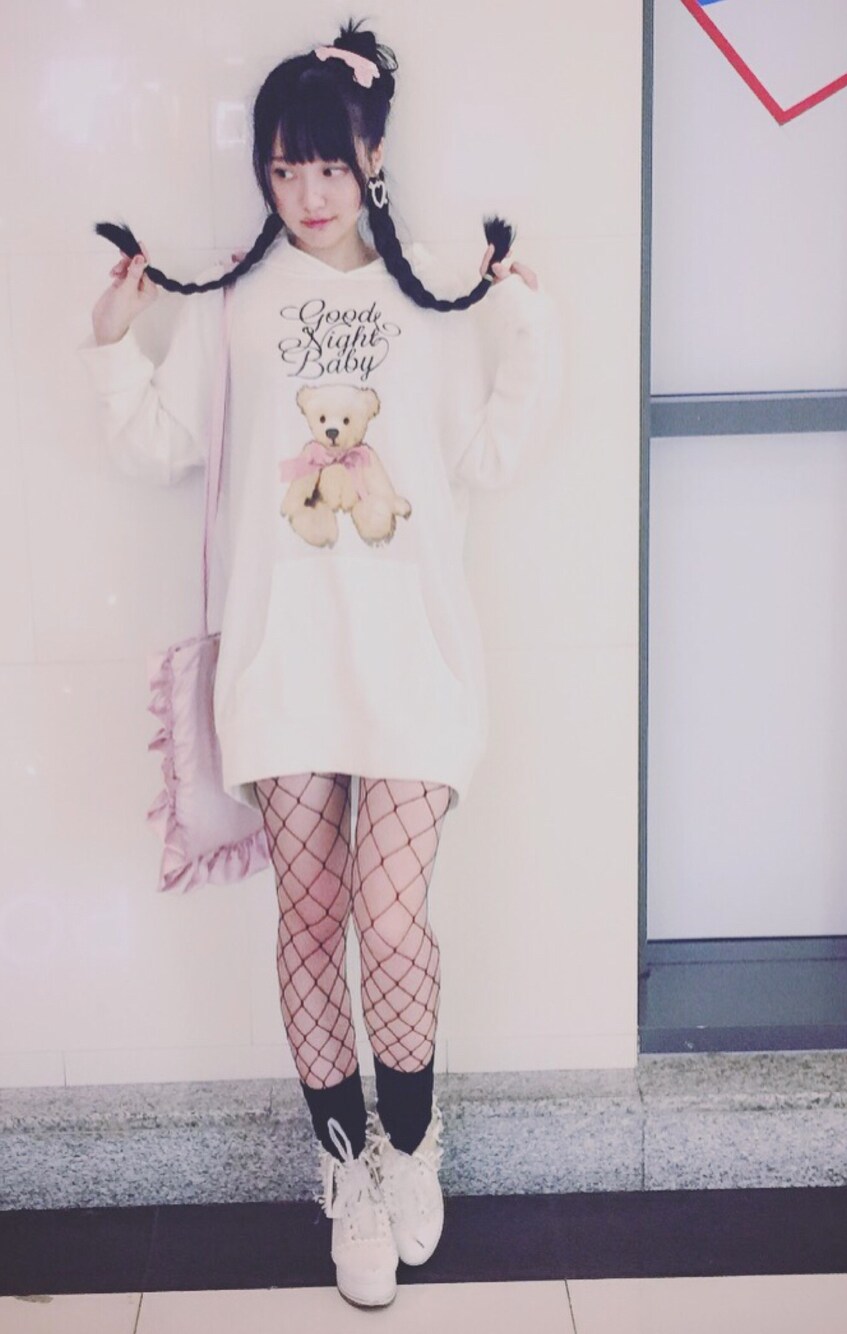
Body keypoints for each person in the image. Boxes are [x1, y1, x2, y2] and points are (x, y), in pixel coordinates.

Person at [78, 14, 562, 1314]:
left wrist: (529, 328)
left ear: (373, 157)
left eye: (330, 166)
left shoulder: (436, 296)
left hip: (413, 662)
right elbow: (159, 444)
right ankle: (346, 1169)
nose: (307, 194)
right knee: (310, 916)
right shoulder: (237, 304)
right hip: (284, 663)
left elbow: (494, 454)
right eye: (285, 169)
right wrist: (114, 341)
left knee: (390, 921)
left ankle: (411, 1141)